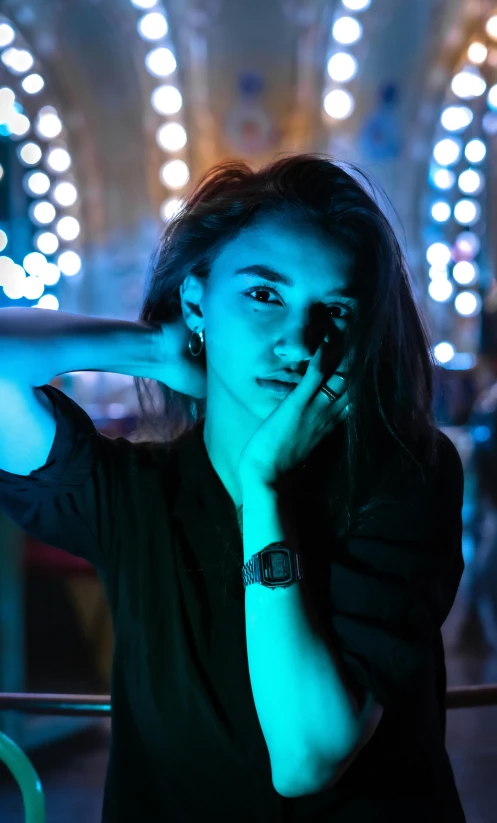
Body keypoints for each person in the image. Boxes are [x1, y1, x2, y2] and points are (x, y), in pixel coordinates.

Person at [0, 154, 466, 822]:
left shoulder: (404, 482)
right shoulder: (137, 495)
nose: (299, 341)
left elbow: (306, 756)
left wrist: (264, 487)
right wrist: (157, 350)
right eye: (263, 294)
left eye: (333, 308)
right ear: (196, 299)